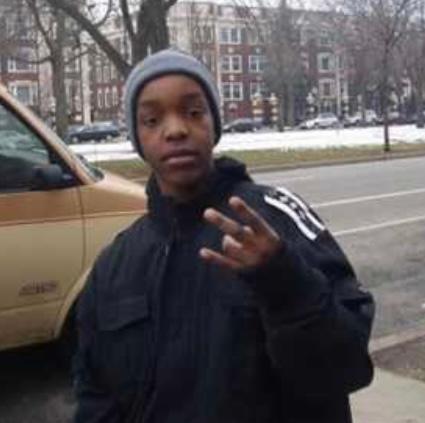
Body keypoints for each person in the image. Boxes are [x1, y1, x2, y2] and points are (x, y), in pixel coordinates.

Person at [73, 49, 375, 423]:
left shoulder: (275, 220)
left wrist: (284, 281)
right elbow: (96, 393)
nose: (175, 129)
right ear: (137, 137)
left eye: (193, 112)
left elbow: (346, 368)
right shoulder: (114, 265)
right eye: (152, 119)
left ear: (214, 124)